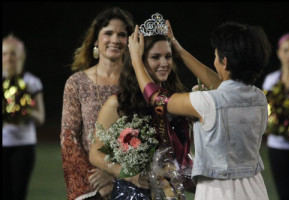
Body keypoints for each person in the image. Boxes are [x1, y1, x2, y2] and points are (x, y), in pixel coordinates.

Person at [128, 19, 272, 200]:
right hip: (255, 188)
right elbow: (224, 86)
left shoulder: (208, 101)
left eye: (216, 56)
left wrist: (136, 60)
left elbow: (157, 98)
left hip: (218, 191)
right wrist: (178, 50)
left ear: (225, 62)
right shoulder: (259, 97)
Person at [89, 13, 194, 200]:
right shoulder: (119, 103)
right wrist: (127, 173)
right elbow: (96, 153)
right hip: (132, 194)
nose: (164, 63)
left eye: (168, 56)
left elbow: (184, 153)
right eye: (155, 57)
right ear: (140, 61)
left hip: (171, 194)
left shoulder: (175, 101)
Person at [60, 7, 134, 200]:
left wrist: (114, 174)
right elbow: (70, 140)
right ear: (95, 40)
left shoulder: (137, 83)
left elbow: (145, 135)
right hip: (92, 186)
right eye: (108, 33)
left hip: (131, 182)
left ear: (129, 42)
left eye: (122, 34)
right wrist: (97, 182)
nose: (115, 40)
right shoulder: (76, 83)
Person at [2, 34, 45, 200]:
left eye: (13, 53)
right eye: (4, 54)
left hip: (23, 146)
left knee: (18, 195)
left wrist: (23, 109)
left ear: (21, 56)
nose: (8, 58)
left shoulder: (31, 82)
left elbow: (40, 118)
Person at [262, 33, 289, 200]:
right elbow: (266, 113)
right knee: (284, 194)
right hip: (276, 146)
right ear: (279, 53)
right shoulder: (271, 80)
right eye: (286, 50)